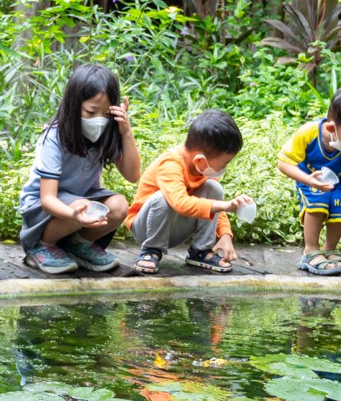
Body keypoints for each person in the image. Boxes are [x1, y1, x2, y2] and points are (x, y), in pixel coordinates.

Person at [19, 62, 142, 275]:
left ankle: (77, 245)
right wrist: (74, 215)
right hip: (42, 206)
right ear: (74, 105)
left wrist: (125, 131)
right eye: (91, 111)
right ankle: (42, 246)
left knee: (119, 205)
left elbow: (132, 175)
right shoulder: (54, 136)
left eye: (106, 114)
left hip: (81, 202)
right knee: (86, 206)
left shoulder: (107, 134)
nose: (99, 120)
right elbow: (48, 199)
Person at [125, 110, 252, 275]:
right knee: (164, 199)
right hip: (146, 228)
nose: (224, 168)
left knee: (213, 189)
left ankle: (201, 252)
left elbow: (213, 207)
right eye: (224, 164)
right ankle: (151, 251)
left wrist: (225, 235)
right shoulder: (170, 163)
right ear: (200, 160)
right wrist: (226, 206)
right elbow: (179, 203)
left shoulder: (203, 169)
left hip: (175, 228)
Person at [277, 84, 341, 276]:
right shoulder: (308, 133)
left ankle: (329, 249)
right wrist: (309, 180)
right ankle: (311, 250)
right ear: (332, 126)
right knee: (318, 202)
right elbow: (284, 163)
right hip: (310, 175)